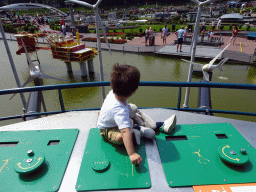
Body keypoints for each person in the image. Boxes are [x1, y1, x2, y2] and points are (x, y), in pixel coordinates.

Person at [97, 64, 177, 165]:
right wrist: (132, 153)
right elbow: (125, 132)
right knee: (121, 138)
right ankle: (138, 130)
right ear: (134, 91)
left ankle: (156, 124)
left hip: (118, 117)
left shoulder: (114, 93)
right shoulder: (119, 111)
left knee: (133, 108)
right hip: (108, 128)